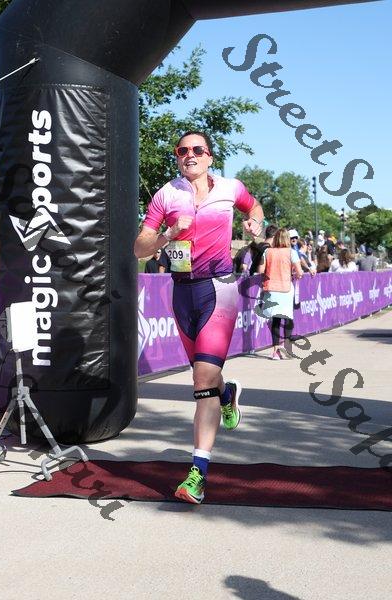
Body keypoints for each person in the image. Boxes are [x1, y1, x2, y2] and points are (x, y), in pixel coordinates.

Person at [134, 130, 264, 504]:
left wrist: (255, 224)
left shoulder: (230, 188)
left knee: (202, 379)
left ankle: (197, 475)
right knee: (205, 376)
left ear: (209, 157)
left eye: (197, 149)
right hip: (182, 292)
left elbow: (254, 207)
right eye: (182, 150)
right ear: (178, 157)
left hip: (219, 289)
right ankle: (228, 394)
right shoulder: (166, 195)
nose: (189, 155)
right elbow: (139, 248)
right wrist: (166, 235)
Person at [257, 228, 303, 360]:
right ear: (287, 239)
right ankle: (287, 348)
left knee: (276, 320)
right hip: (286, 288)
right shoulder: (291, 252)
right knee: (288, 318)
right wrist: (293, 273)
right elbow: (299, 272)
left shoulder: (267, 251)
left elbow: (260, 270)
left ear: (275, 238)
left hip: (271, 288)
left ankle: (275, 351)